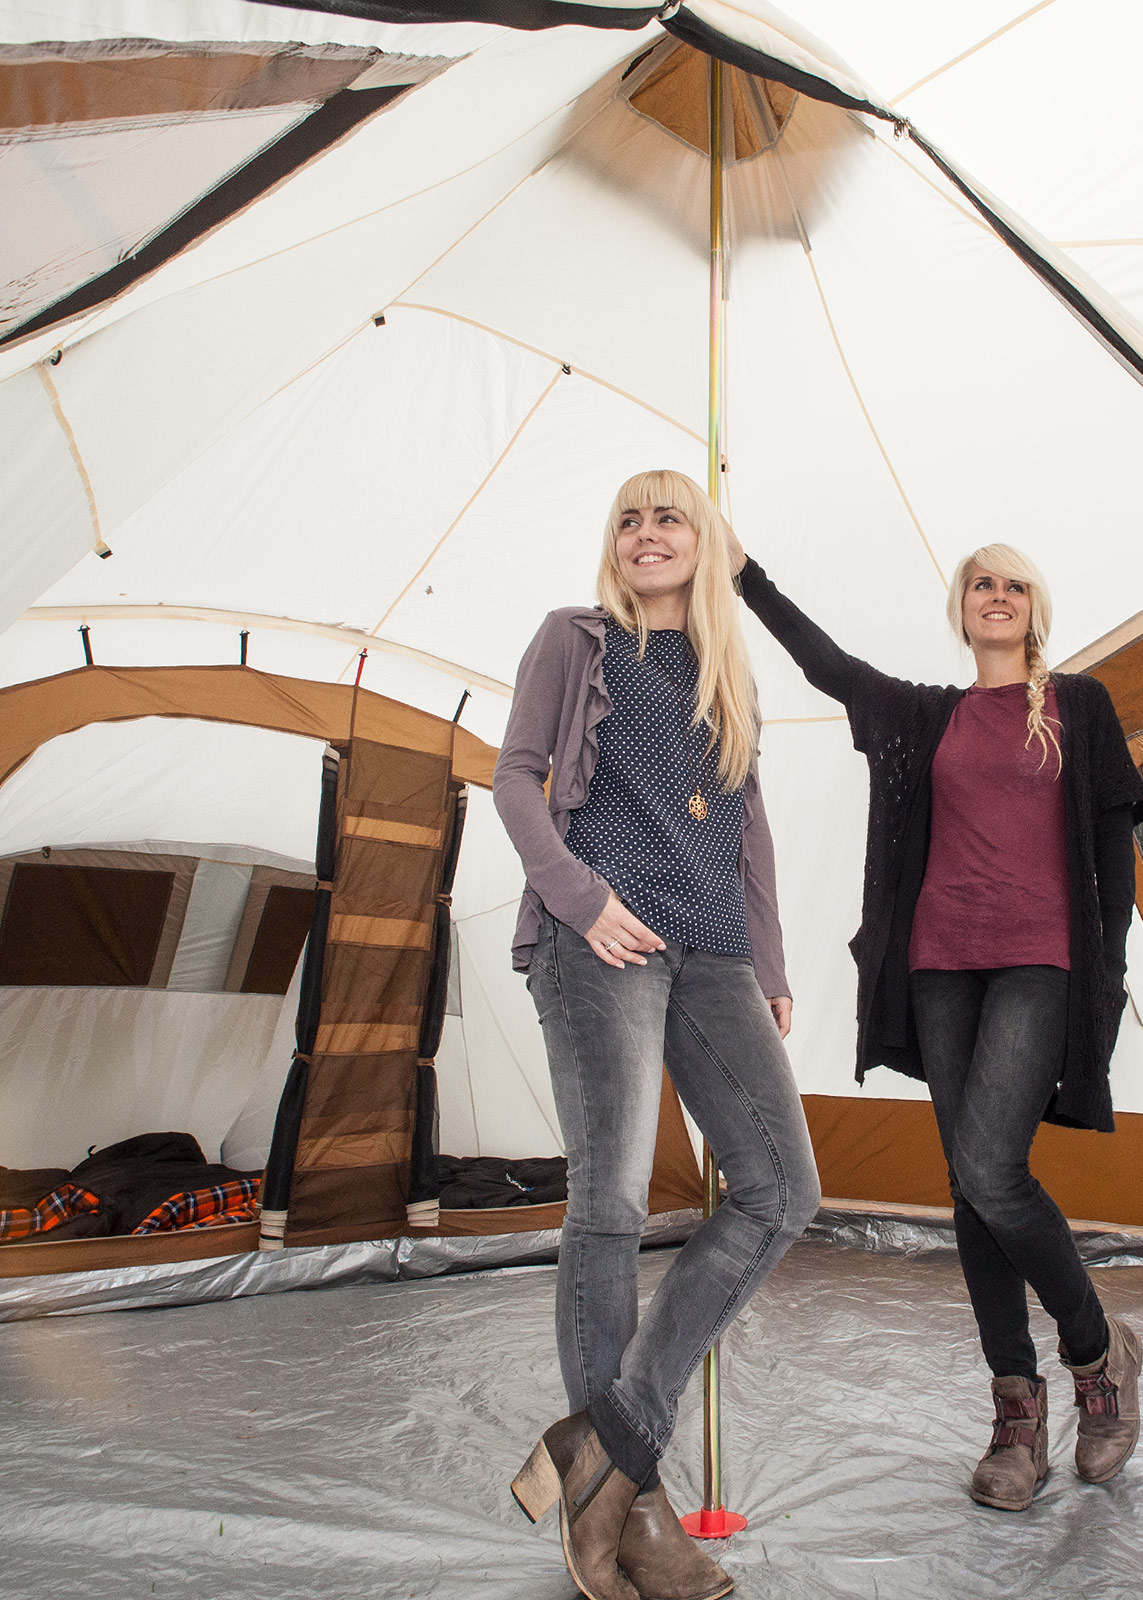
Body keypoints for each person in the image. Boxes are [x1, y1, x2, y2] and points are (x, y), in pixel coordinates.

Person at [727, 530, 1143, 1513]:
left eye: (1011, 585)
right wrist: (746, 575)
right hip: (938, 965)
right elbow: (827, 666)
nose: (995, 596)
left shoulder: (1077, 708)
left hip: (1041, 960)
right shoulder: (927, 715)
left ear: (1032, 606)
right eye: (979, 584)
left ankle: (1095, 1356)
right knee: (970, 1185)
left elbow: (1112, 854)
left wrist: (1109, 976)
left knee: (993, 1170)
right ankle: (1016, 1415)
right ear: (961, 607)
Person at [495, 470, 820, 1600]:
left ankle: (606, 1449)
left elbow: (749, 825)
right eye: (628, 518)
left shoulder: (728, 670)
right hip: (604, 947)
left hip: (715, 955)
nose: (645, 533)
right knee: (613, 1201)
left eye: (667, 516)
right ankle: (632, 1514)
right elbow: (515, 775)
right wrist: (579, 898)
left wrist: (768, 961)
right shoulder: (575, 639)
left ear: (705, 543)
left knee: (781, 1188)